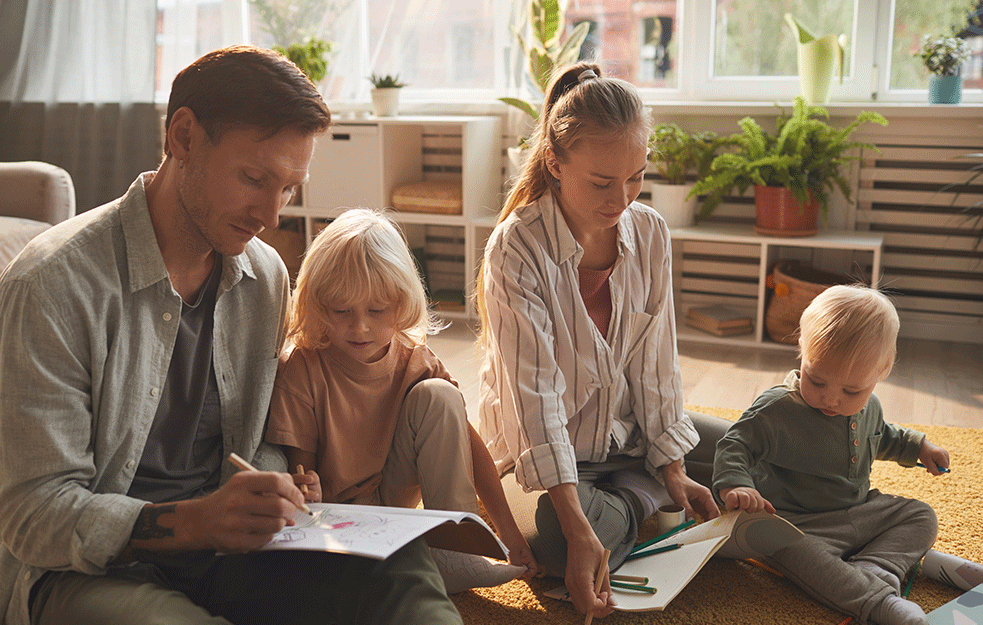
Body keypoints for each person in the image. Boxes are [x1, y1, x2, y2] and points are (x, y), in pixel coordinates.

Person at [0, 45, 462, 625]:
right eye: (254, 178)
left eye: (290, 188)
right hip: (85, 571)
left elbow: (253, 435)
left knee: (401, 567)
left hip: (230, 552)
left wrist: (278, 485)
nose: (272, 213)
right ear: (184, 137)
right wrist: (197, 521)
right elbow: (33, 514)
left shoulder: (264, 276)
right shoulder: (51, 285)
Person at [475, 61, 729, 619]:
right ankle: (642, 508)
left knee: (744, 444)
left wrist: (672, 468)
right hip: (546, 461)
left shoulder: (651, 232)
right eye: (601, 182)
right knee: (557, 539)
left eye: (636, 176)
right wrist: (577, 522)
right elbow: (533, 400)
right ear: (554, 163)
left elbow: (657, 365)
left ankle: (642, 500)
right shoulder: (517, 248)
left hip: (628, 440)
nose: (622, 199)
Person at [265, 207, 538, 587]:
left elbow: (471, 449)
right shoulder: (303, 367)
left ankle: (455, 553)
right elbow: (303, 473)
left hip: (395, 502)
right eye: (342, 311)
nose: (360, 327)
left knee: (441, 396)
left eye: (376, 311)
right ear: (319, 303)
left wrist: (509, 536)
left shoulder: (413, 358)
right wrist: (307, 486)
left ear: (401, 304)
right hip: (337, 513)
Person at [712, 285, 949, 625]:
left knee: (921, 515)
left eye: (851, 390)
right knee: (788, 547)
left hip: (859, 511)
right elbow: (734, 443)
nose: (831, 400)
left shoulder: (869, 407)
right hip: (796, 523)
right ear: (802, 352)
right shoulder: (777, 409)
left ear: (880, 374)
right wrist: (737, 485)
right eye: (817, 380)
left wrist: (919, 447)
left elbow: (883, 436)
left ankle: (875, 566)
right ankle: (876, 602)